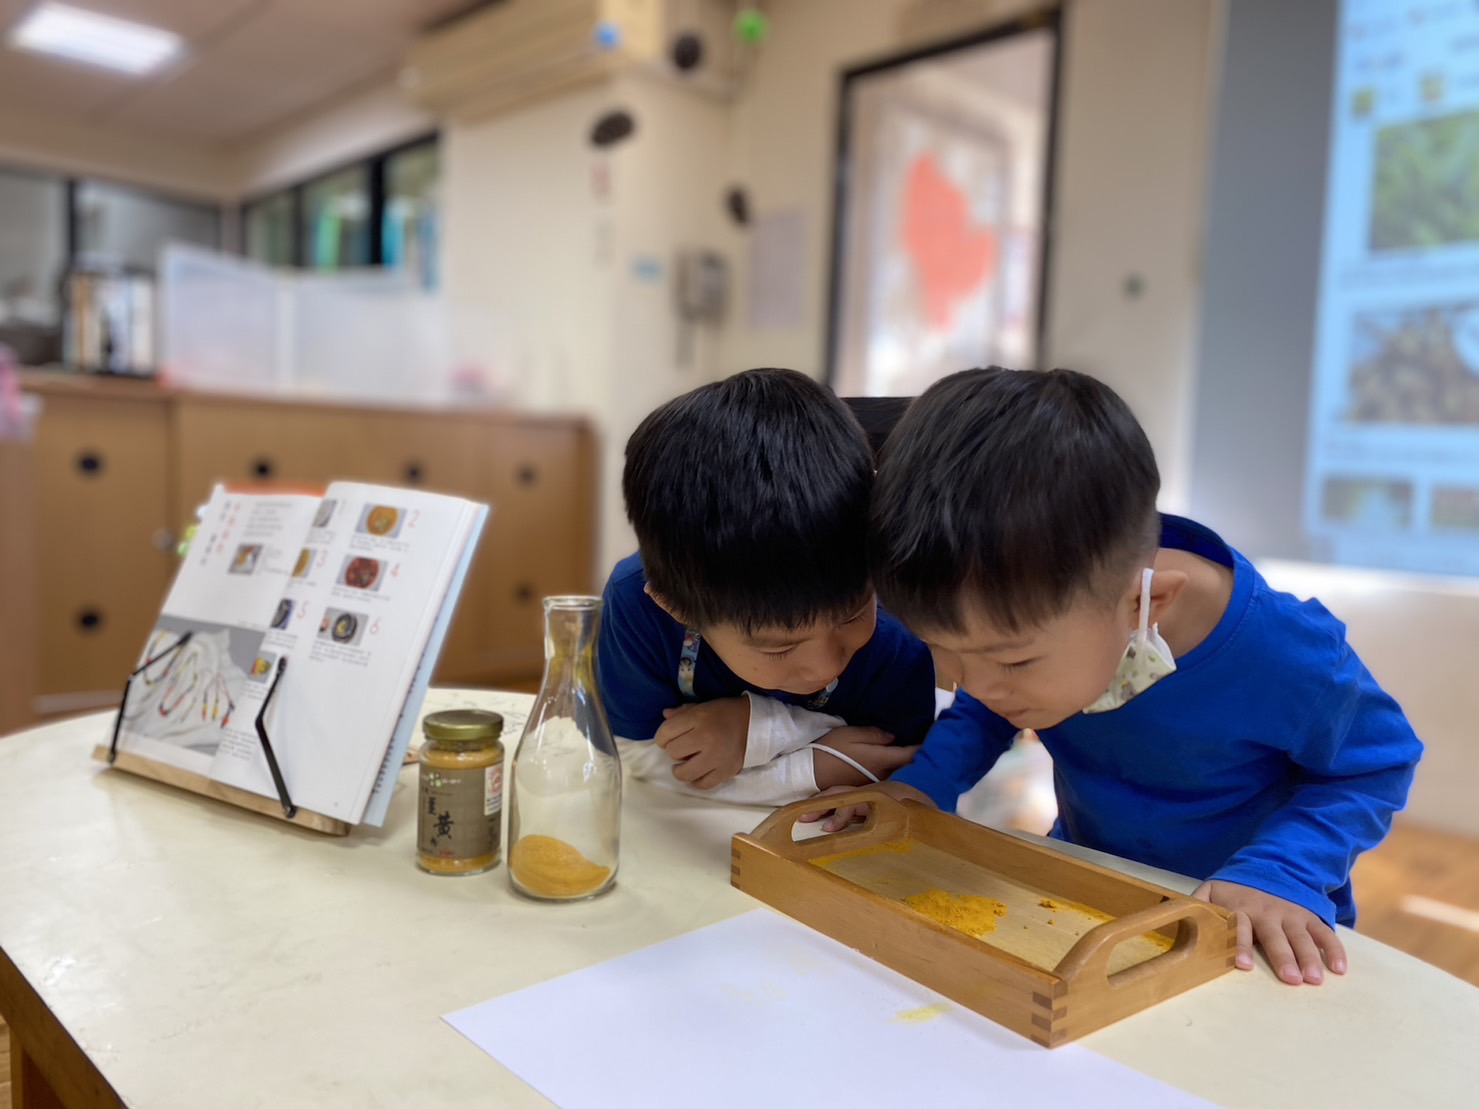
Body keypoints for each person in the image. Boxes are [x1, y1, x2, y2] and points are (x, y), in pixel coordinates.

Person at [812, 367, 1421, 987]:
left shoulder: (1281, 650)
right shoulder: (1040, 622)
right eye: (947, 651)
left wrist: (1283, 872)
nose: (973, 683)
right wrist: (925, 784)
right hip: (1095, 901)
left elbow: (1377, 763)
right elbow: (987, 704)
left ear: (1144, 606)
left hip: (1256, 932)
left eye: (1013, 661)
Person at [598, 368, 937, 804]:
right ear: (676, 608)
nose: (824, 667)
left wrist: (754, 734)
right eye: (779, 648)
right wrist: (801, 762)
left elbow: (898, 766)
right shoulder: (638, 605)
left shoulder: (898, 627)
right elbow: (630, 757)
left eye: (853, 615)